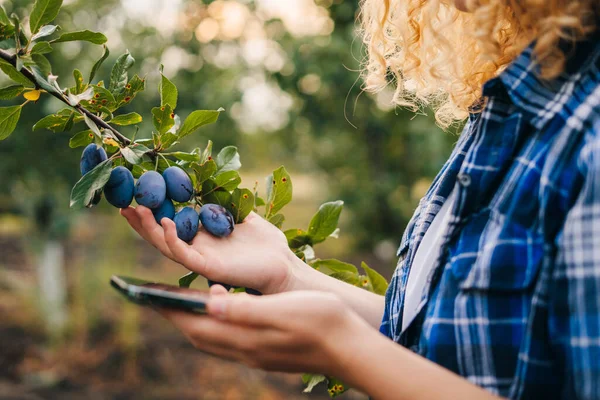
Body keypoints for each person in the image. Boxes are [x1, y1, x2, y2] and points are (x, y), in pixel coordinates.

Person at [121, 0, 600, 398]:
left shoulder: (589, 137)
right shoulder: (508, 103)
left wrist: (342, 348)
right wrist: (288, 276)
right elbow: (428, 344)